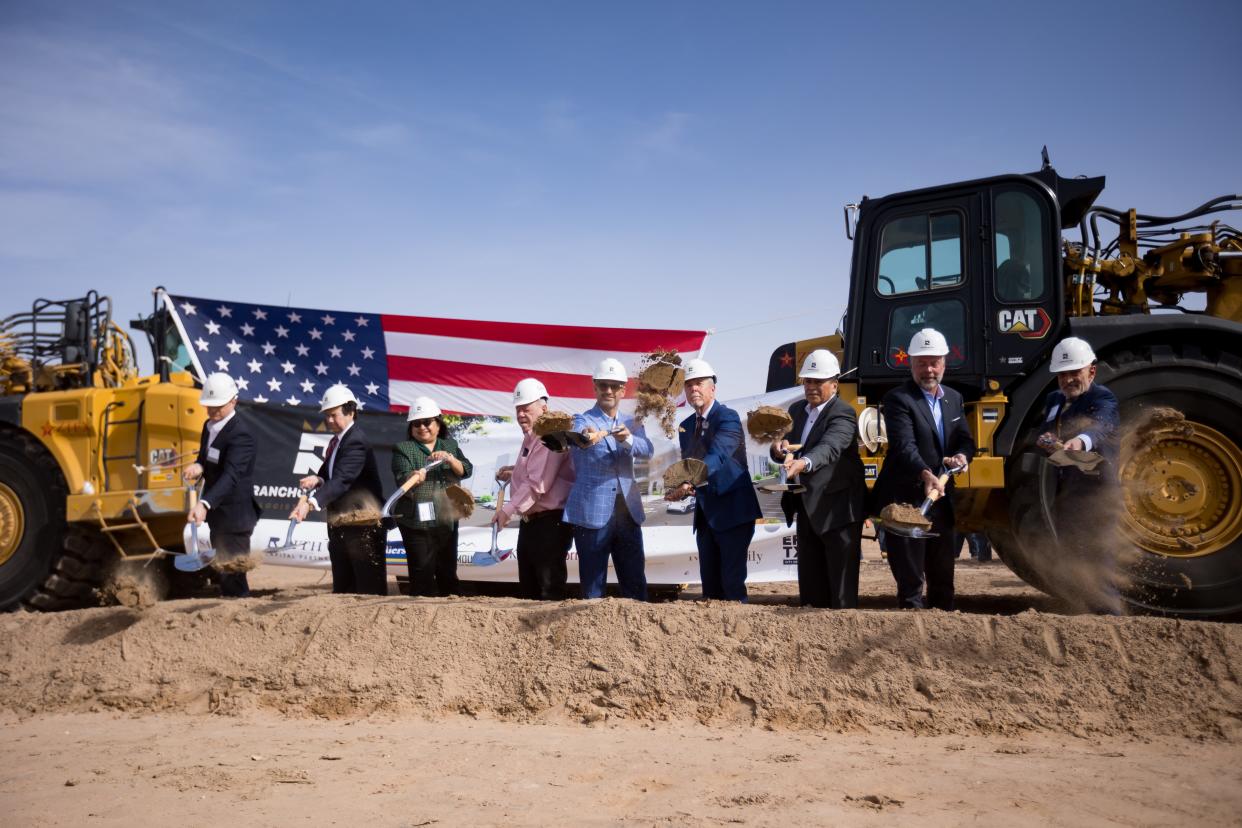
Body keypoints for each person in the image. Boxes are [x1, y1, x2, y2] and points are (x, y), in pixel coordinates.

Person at [872, 328, 976, 610]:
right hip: (907, 499)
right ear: (911, 364)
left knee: (943, 573)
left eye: (934, 362)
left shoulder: (953, 398)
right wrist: (926, 474)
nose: (928, 369)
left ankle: (941, 635)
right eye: (922, 363)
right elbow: (904, 446)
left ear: (944, 362)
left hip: (941, 499)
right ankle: (911, 635)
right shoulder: (898, 399)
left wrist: (961, 458)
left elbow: (966, 440)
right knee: (910, 578)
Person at [770, 349, 867, 608]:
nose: (811, 387)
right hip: (807, 507)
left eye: (818, 381)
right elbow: (785, 446)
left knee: (841, 593)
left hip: (838, 511)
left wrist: (803, 462)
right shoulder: (796, 411)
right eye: (807, 381)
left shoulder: (843, 413)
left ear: (834, 384)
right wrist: (780, 450)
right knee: (812, 590)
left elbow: (830, 447)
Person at [1032, 336, 1121, 614]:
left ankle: (1110, 616)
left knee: (1098, 556)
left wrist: (1081, 441)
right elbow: (1045, 431)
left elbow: (1102, 426)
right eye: (1062, 375)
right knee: (1072, 554)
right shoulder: (1054, 399)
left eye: (1075, 373)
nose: (1068, 380)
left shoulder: (1102, 397)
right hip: (1066, 493)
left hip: (1096, 492)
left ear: (1091, 371)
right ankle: (1080, 614)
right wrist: (1047, 440)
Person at [665, 359, 762, 601]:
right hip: (707, 517)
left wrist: (689, 481)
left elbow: (717, 456)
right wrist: (680, 487)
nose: (693, 389)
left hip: (733, 513)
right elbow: (689, 466)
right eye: (688, 385)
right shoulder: (686, 426)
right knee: (710, 586)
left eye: (698, 383)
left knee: (732, 584)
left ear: (713, 389)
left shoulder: (727, 417)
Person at [563, 357, 654, 600]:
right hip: (592, 515)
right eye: (603, 385)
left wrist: (627, 439)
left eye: (615, 386)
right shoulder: (582, 419)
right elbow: (579, 434)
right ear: (595, 387)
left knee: (635, 584)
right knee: (593, 589)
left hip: (628, 513)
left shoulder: (631, 423)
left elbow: (647, 450)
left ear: (623, 390)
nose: (609, 391)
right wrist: (587, 436)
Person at [290, 385, 387, 595]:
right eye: (327, 415)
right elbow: (331, 474)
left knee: (367, 588)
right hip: (340, 523)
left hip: (363, 525)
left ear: (350, 411)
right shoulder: (338, 441)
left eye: (333, 415)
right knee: (343, 587)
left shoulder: (356, 441)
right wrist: (317, 478)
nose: (329, 420)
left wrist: (311, 503)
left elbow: (342, 479)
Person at [494, 379, 575, 601]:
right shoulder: (532, 437)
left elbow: (538, 484)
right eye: (518, 409)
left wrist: (507, 510)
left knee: (548, 590)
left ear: (544, 408)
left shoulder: (550, 436)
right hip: (533, 523)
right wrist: (515, 472)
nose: (521, 414)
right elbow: (534, 472)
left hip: (549, 524)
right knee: (529, 589)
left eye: (526, 408)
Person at [183, 373, 261, 598]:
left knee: (233, 573)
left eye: (218, 406)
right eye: (209, 406)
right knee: (224, 573)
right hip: (218, 514)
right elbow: (205, 459)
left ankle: (240, 617)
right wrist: (198, 467)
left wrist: (204, 503)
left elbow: (232, 475)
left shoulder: (241, 434)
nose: (212, 411)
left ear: (233, 401)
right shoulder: (208, 427)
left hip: (236, 515)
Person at [392, 396, 474, 597]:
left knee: (447, 572)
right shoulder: (403, 449)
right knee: (421, 573)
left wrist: (449, 458)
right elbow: (402, 477)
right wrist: (414, 476)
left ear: (438, 423)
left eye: (427, 422)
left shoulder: (450, 445)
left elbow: (466, 469)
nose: (422, 427)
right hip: (415, 522)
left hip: (446, 519)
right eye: (417, 423)